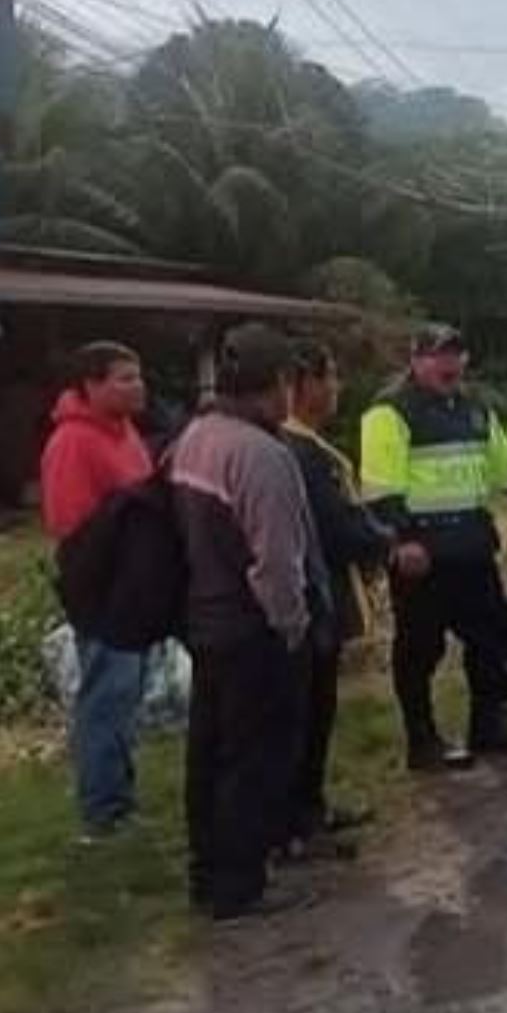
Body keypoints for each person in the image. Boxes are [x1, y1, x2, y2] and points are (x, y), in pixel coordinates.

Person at [170, 323, 325, 921]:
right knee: (256, 759)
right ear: (281, 383)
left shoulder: (197, 436)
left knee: (209, 755)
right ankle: (241, 885)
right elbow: (278, 563)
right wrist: (294, 629)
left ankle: (208, 874)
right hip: (254, 629)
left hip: (207, 621)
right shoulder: (263, 455)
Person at [361, 324, 507, 771]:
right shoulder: (390, 412)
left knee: (491, 634)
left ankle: (488, 725)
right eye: (437, 356)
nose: (449, 364)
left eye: (456, 355)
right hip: (422, 556)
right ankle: (422, 741)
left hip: (470, 548)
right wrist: (402, 540)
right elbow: (379, 489)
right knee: (419, 648)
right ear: (416, 360)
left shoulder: (474, 410)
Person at [282, 340, 405, 857]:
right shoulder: (300, 452)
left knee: (318, 710)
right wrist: (387, 541)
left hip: (322, 596)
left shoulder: (305, 444)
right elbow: (335, 524)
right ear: (301, 383)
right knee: (303, 717)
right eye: (329, 376)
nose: (337, 388)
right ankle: (294, 824)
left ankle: (309, 809)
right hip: (313, 597)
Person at [39, 342, 152, 841]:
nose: (137, 386)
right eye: (123, 378)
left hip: (135, 585)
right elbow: (71, 525)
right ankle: (102, 812)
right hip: (102, 589)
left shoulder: (125, 432)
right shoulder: (72, 443)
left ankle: (121, 800)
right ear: (91, 385)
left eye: (138, 376)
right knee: (106, 696)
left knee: (126, 696)